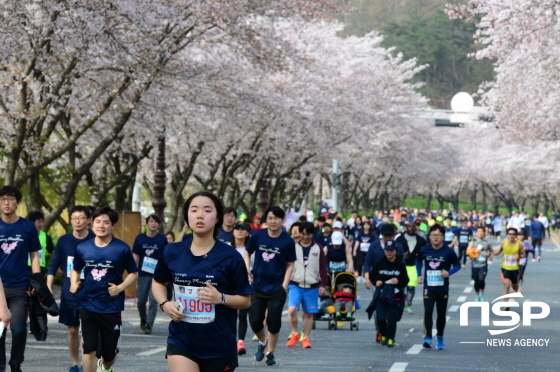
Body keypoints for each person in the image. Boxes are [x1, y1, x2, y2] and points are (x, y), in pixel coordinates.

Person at [152, 192, 251, 372]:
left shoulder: (231, 257)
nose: (199, 215)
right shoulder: (172, 251)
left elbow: (245, 300)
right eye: (194, 210)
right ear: (187, 216)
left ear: (218, 217)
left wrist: (220, 298)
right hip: (181, 339)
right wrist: (165, 304)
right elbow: (158, 282)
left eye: (207, 210)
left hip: (219, 344)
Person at [70, 207, 139, 372]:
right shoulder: (83, 248)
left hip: (111, 306)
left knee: (108, 354)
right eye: (98, 221)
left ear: (113, 225)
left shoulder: (121, 248)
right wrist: (74, 283)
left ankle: (104, 366)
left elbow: (134, 273)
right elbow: (76, 270)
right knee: (88, 349)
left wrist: (120, 287)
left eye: (106, 222)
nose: (101, 225)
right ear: (92, 223)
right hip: (88, 303)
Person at [244, 206, 296, 366]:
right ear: (266, 219)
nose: (273, 221)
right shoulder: (258, 235)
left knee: (274, 322)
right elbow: (247, 253)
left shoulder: (287, 241)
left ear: (282, 220)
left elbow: (290, 264)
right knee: (254, 320)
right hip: (257, 286)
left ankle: (271, 353)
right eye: (270, 218)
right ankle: (262, 341)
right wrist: (247, 270)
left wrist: (284, 285)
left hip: (276, 288)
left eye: (276, 218)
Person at [46, 205, 95, 372]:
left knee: (89, 331)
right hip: (70, 292)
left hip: (91, 291)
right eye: (74, 218)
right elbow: (54, 264)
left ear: (88, 220)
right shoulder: (64, 240)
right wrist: (48, 285)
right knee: (73, 330)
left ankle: (89, 363)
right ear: (70, 220)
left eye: (81, 218)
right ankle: (76, 364)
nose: (78, 221)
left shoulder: (96, 238)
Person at [0, 185, 41, 372]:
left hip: (20, 287)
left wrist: (36, 280)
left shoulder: (27, 226)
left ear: (17, 202)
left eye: (10, 199)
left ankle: (15, 365)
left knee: (19, 330)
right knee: (0, 332)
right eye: (2, 199)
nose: (6, 203)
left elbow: (34, 255)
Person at [416, 224, 461, 350]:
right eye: (433, 235)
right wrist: (419, 274)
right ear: (429, 236)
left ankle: (440, 336)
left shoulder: (448, 251)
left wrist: (449, 273)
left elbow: (457, 265)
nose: (435, 237)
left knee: (441, 314)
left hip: (442, 288)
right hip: (428, 287)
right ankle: (428, 337)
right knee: (428, 311)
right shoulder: (425, 249)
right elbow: (418, 261)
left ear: (443, 236)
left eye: (438, 235)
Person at [286, 222, 327, 349]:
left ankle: (306, 338)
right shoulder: (293, 247)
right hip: (295, 284)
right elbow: (286, 265)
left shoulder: (318, 248)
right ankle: (294, 333)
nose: (305, 237)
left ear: (312, 234)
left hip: (312, 285)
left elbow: (323, 267)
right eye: (303, 234)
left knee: (309, 313)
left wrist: (323, 284)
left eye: (308, 234)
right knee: (292, 309)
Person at [132, 214, 168, 334]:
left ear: (158, 225)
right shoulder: (140, 238)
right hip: (142, 273)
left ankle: (149, 325)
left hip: (156, 275)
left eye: (156, 222)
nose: (154, 224)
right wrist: (133, 269)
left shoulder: (162, 239)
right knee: (141, 301)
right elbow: (136, 254)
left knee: (153, 301)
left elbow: (165, 256)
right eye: (151, 221)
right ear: (146, 223)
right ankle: (143, 318)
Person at [369, 240, 408, 347]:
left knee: (392, 319)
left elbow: (406, 280)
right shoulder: (379, 262)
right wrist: (376, 282)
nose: (389, 252)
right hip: (381, 295)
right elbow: (372, 275)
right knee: (380, 318)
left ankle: (391, 338)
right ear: (384, 251)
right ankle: (384, 334)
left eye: (391, 250)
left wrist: (399, 281)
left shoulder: (400, 264)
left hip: (395, 297)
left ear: (395, 251)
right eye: (387, 250)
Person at [229, 222, 253, 355]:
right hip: (229, 287)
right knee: (230, 314)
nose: (239, 231)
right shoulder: (227, 248)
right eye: (237, 229)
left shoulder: (250, 250)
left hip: (246, 286)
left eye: (242, 229)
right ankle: (230, 341)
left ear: (247, 233)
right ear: (233, 232)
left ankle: (240, 342)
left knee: (243, 315)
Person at [396, 221, 427, 314]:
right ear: (406, 228)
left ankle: (407, 305)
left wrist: (420, 255)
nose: (411, 228)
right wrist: (402, 255)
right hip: (402, 266)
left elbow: (426, 253)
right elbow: (394, 251)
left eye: (413, 226)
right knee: (401, 287)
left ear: (416, 228)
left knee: (411, 287)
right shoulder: (399, 239)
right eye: (409, 226)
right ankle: (400, 304)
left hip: (414, 267)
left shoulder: (421, 240)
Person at [491, 227, 525, 311]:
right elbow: (499, 251)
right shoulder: (503, 243)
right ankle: (506, 304)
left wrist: (519, 256)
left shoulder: (519, 244)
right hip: (505, 267)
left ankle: (516, 290)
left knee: (514, 286)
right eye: (510, 234)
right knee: (506, 285)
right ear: (507, 235)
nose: (511, 236)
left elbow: (523, 254)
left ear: (516, 235)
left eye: (513, 234)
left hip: (515, 268)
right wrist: (492, 254)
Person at [466, 226, 493, 302]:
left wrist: (490, 255)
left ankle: (482, 294)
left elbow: (491, 252)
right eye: (479, 231)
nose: (480, 233)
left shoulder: (487, 243)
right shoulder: (473, 242)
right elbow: (467, 252)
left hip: (483, 265)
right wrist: (476, 251)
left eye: (482, 231)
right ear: (476, 233)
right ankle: (477, 295)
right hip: (475, 265)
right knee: (476, 281)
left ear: (484, 233)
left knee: (481, 279)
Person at [26, 211, 55, 275]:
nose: (41, 224)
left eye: (42, 222)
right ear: (32, 222)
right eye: (39, 222)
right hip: (25, 268)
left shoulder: (46, 237)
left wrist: (56, 267)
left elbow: (53, 253)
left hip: (40, 269)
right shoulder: (24, 235)